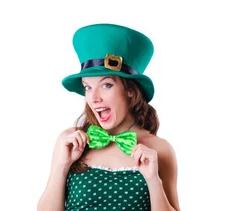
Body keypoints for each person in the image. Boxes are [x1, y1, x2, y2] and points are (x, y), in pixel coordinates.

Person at [38, 23, 180, 211]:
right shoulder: (70, 141)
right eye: (87, 87)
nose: (94, 98)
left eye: (106, 85)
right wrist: (62, 166)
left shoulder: (160, 149)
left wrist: (153, 181)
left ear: (130, 89)